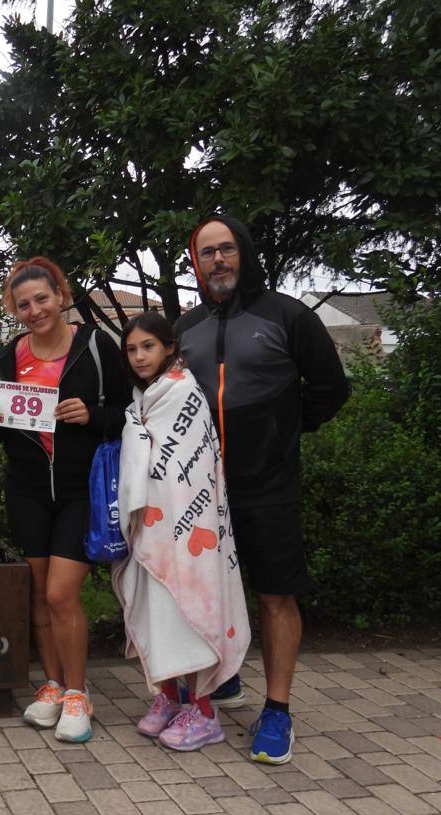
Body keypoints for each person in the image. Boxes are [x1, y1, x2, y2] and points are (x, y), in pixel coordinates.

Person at [176, 214, 349, 764]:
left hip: (267, 484)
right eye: (207, 253)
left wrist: (282, 433)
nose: (218, 261)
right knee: (206, 592)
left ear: (244, 254)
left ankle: (277, 710)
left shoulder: (287, 315)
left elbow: (330, 390)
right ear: (195, 263)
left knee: (275, 593)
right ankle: (224, 680)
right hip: (201, 489)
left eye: (227, 249)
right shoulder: (186, 327)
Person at [0, 257, 132, 743]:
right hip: (26, 490)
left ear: (61, 296)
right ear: (14, 310)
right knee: (39, 595)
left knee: (61, 593)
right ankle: (52, 684)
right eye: (23, 304)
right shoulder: (8, 356)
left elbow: (129, 412)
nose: (34, 310)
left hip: (79, 489)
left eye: (42, 299)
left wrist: (92, 415)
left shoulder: (94, 344)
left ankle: (78, 694)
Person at [112, 312, 250, 751]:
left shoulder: (183, 393)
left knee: (190, 611)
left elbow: (188, 467)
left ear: (170, 347)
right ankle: (170, 698)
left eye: (148, 346)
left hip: (185, 529)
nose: (139, 356)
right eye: (132, 349)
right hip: (150, 528)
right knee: (158, 614)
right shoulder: (142, 398)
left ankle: (205, 711)